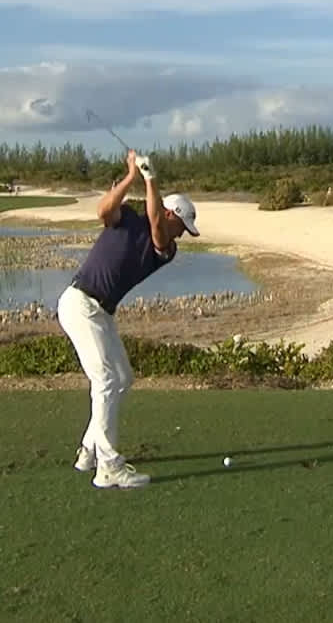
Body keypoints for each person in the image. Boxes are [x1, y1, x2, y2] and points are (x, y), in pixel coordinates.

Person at [59, 148, 199, 489]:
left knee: (122, 378)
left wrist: (151, 180)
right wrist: (132, 177)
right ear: (171, 213)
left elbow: (157, 227)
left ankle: (89, 450)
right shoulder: (127, 218)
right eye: (182, 226)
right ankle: (108, 466)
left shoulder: (165, 248)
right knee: (106, 381)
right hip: (80, 304)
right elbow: (103, 210)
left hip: (100, 312)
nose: (182, 234)